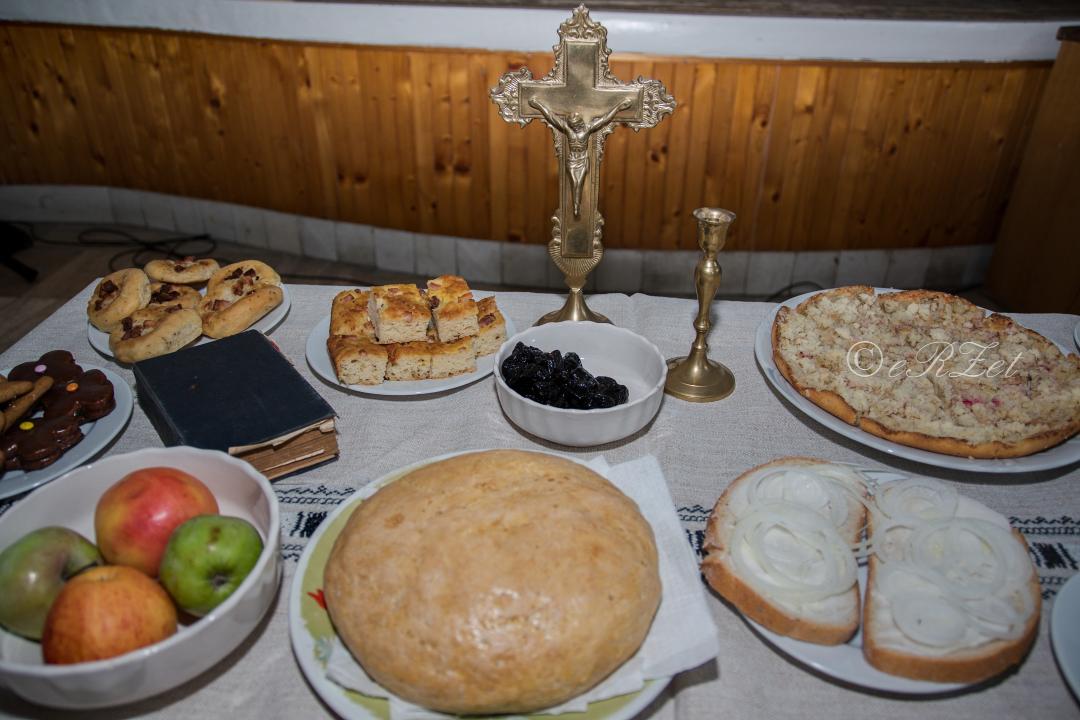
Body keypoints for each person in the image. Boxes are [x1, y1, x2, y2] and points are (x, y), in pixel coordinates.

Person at [529, 97, 632, 217]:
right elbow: (552, 117)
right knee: (574, 182)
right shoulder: (568, 131)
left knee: (580, 182)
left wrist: (619, 107)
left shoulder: (587, 130)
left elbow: (605, 119)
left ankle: (576, 205)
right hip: (572, 161)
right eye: (576, 125)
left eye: (578, 124)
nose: (578, 126)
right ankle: (576, 205)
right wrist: (538, 105)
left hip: (582, 161)